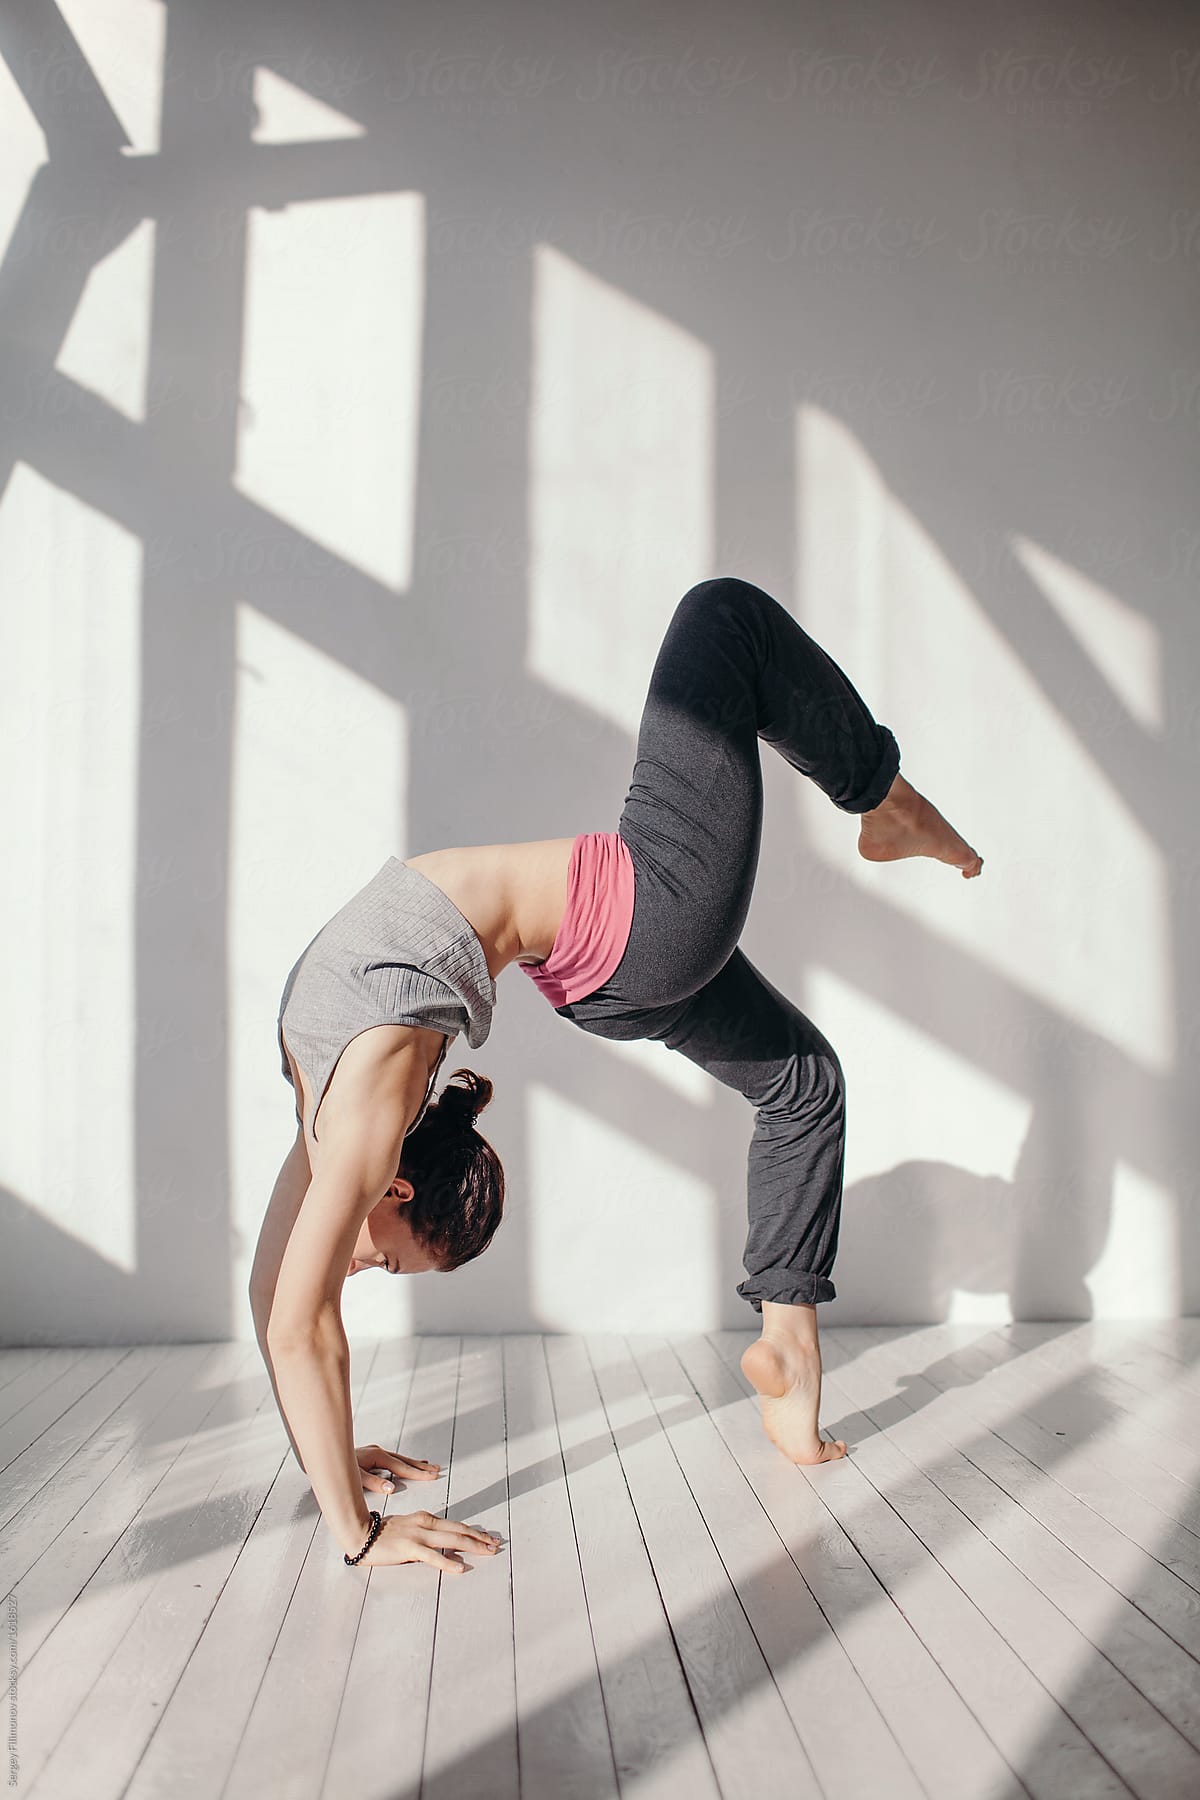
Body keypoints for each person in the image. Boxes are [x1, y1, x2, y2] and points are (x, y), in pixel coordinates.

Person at [251, 575, 983, 1574]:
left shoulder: (346, 1112)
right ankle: (883, 799)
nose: (363, 1264)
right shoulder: (360, 1098)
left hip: (606, 973)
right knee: (722, 618)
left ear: (397, 1189)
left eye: (386, 1261)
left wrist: (328, 1467)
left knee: (802, 1084)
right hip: (643, 924)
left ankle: (792, 1350)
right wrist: (353, 1519)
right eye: (389, 1262)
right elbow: (290, 1313)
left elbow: (281, 1309)